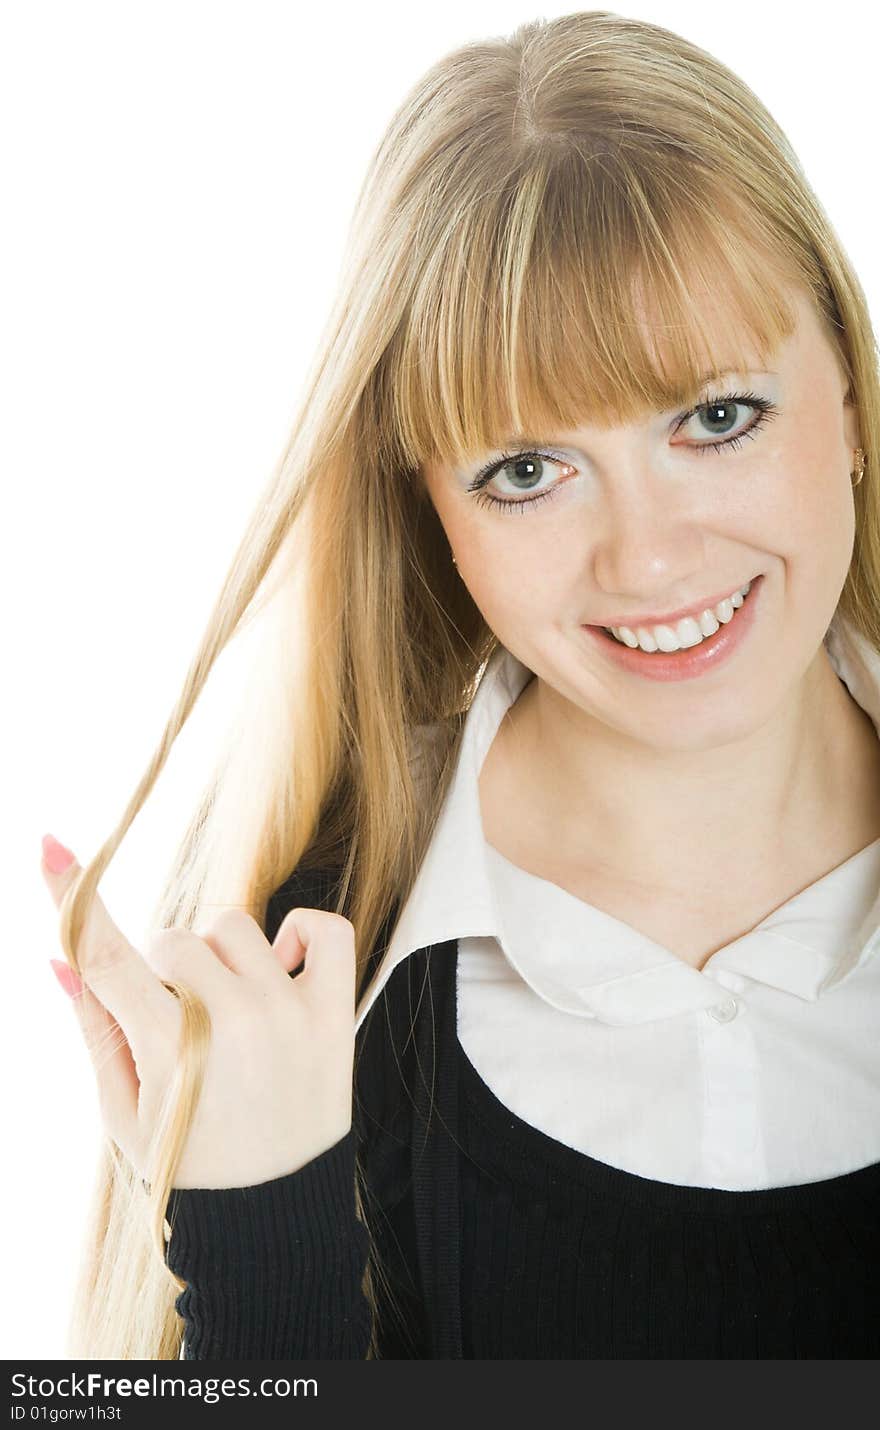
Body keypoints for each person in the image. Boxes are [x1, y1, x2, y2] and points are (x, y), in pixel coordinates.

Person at [40, 10, 880, 1360]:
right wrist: (260, 1256)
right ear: (432, 511)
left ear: (849, 394)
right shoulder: (297, 971)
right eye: (528, 471)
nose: (651, 554)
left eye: (717, 417)